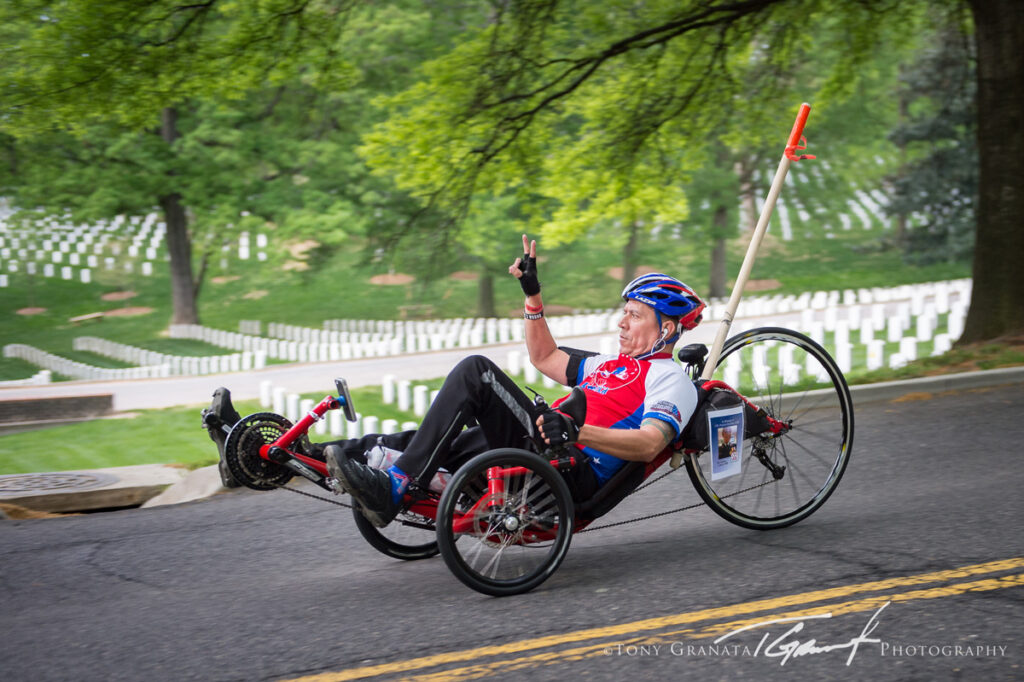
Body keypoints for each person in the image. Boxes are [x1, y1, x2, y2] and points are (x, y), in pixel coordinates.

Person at [326, 234, 707, 528]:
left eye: (635, 315)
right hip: (546, 447)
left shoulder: (670, 379)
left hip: (568, 470)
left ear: (667, 328)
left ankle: (396, 487)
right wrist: (533, 298)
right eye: (624, 312)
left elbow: (649, 444)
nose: (622, 322)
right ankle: (314, 454)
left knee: (478, 372)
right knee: (434, 439)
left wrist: (577, 431)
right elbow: (545, 357)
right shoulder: (606, 365)